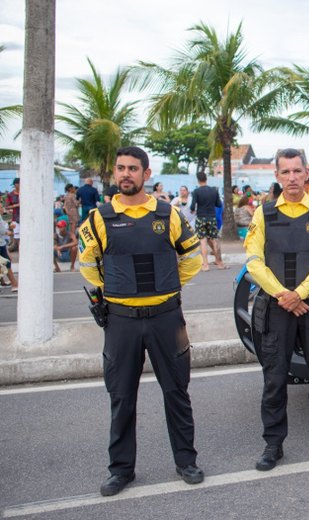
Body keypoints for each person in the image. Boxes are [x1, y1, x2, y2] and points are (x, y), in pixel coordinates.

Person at [77, 146, 204, 496]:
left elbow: (192, 258)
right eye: (120, 168)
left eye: (133, 168)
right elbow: (87, 264)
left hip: (166, 317)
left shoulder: (169, 214)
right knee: (121, 397)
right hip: (122, 322)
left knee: (176, 392)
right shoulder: (99, 218)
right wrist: (117, 289)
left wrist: (167, 284)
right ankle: (121, 469)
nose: (126, 174)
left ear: (146, 174)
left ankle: (186, 461)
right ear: (114, 173)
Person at [244, 147, 309, 470]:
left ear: (306, 174)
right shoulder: (264, 214)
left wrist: (299, 294)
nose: (291, 177)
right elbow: (253, 262)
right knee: (274, 379)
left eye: (297, 171)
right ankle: (273, 445)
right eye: (285, 172)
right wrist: (283, 295)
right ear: (277, 175)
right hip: (276, 308)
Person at [190, 171, 226, 271]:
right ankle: (219, 263)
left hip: (201, 217)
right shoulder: (214, 190)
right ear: (206, 178)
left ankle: (205, 265)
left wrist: (194, 209)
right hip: (211, 217)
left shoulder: (196, 192)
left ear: (198, 180)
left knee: (203, 241)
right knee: (215, 239)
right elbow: (219, 204)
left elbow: (192, 206)